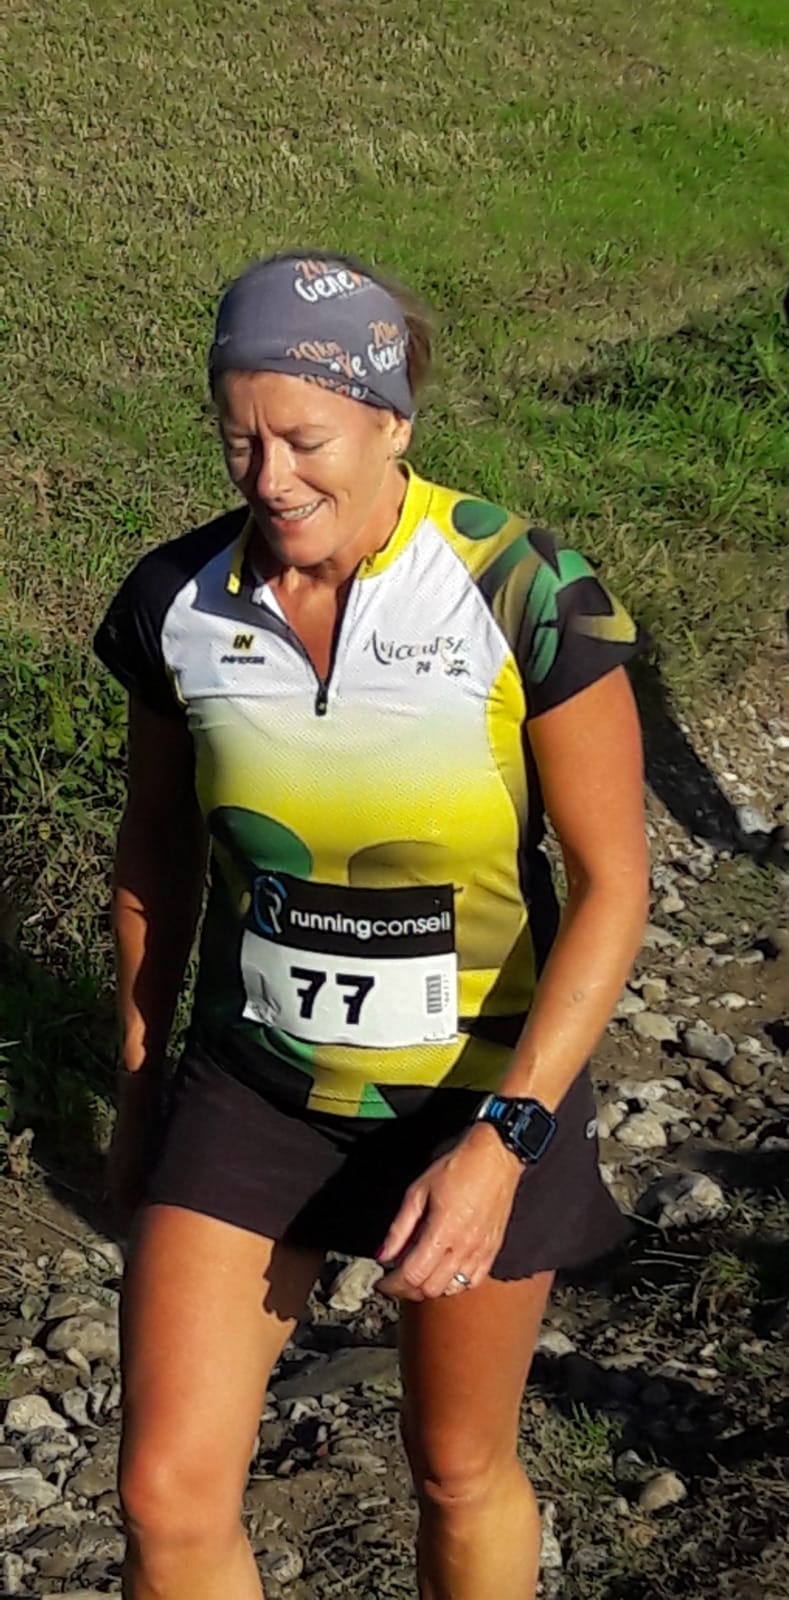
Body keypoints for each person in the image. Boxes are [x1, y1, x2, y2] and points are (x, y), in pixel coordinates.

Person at [94, 250, 649, 1600]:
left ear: (394, 423)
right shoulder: (178, 601)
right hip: (256, 1086)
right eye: (239, 440)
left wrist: (505, 1141)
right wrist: (139, 1086)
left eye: (305, 440)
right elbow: (156, 852)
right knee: (163, 1495)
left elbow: (612, 885)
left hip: (474, 1089)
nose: (270, 478)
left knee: (454, 1467)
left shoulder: (524, 588)